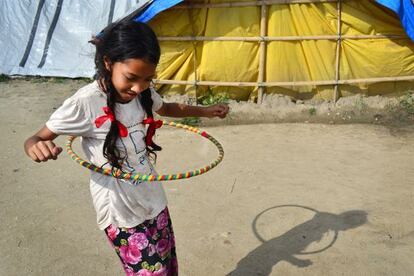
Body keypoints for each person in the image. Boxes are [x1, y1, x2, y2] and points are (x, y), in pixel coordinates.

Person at [24, 20, 229, 275]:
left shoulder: (143, 93)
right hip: (120, 212)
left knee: (167, 266)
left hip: (152, 198)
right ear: (109, 62)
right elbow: (36, 138)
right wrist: (37, 147)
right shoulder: (85, 103)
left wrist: (206, 111)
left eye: (148, 79)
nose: (139, 87)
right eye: (131, 78)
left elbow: (167, 108)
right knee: (152, 272)